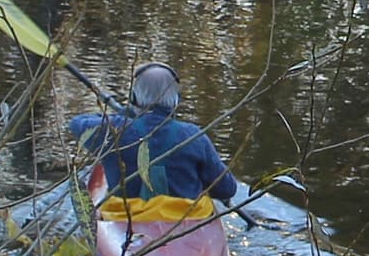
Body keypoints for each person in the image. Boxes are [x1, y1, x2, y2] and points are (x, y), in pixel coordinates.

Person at [66, 63, 245, 217]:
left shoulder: (113, 131)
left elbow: (77, 123)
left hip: (126, 222)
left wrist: (123, 114)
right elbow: (227, 189)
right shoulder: (195, 136)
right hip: (183, 223)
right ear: (176, 100)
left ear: (133, 98)